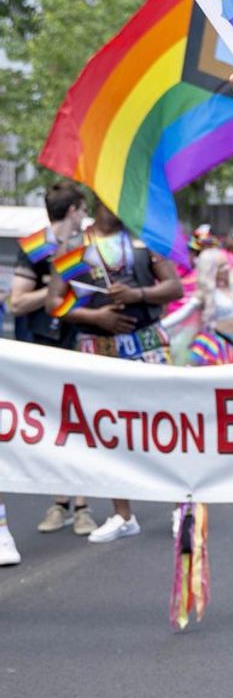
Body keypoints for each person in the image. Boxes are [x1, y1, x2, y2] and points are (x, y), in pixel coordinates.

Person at [46, 199, 183, 542]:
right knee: (107, 431)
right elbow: (54, 302)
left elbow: (174, 287)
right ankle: (123, 514)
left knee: (164, 425)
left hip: (146, 342)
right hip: (98, 346)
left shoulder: (145, 239)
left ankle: (182, 508)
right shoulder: (75, 246)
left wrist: (136, 293)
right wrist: (95, 317)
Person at [8, 182, 98, 538]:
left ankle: (80, 507)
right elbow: (17, 302)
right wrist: (56, 290)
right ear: (74, 210)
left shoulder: (87, 248)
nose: (84, 216)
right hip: (41, 349)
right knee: (52, 426)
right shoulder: (34, 247)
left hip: (80, 344)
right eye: (82, 209)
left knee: (79, 423)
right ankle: (60, 504)